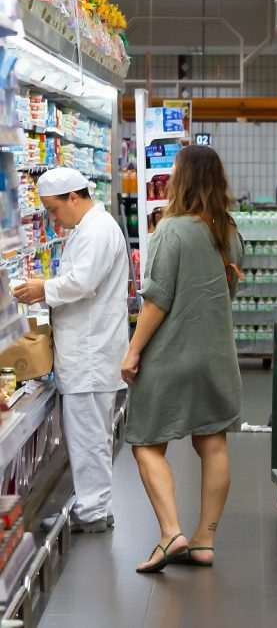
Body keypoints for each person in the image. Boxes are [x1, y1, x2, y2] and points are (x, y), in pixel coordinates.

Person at [120, 145, 243, 574]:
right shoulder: (229, 230)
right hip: (217, 355)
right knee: (213, 442)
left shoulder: (171, 230)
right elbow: (228, 290)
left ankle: (172, 532)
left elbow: (157, 300)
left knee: (146, 443)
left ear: (182, 180)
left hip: (170, 355)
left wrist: (133, 350)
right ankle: (205, 540)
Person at [13, 168, 129, 534]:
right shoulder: (90, 228)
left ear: (73, 198)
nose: (53, 218)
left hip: (91, 355)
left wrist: (41, 289)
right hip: (89, 351)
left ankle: (92, 511)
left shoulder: (96, 231)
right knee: (91, 434)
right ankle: (96, 505)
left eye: (53, 209)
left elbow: (81, 282)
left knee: (89, 436)